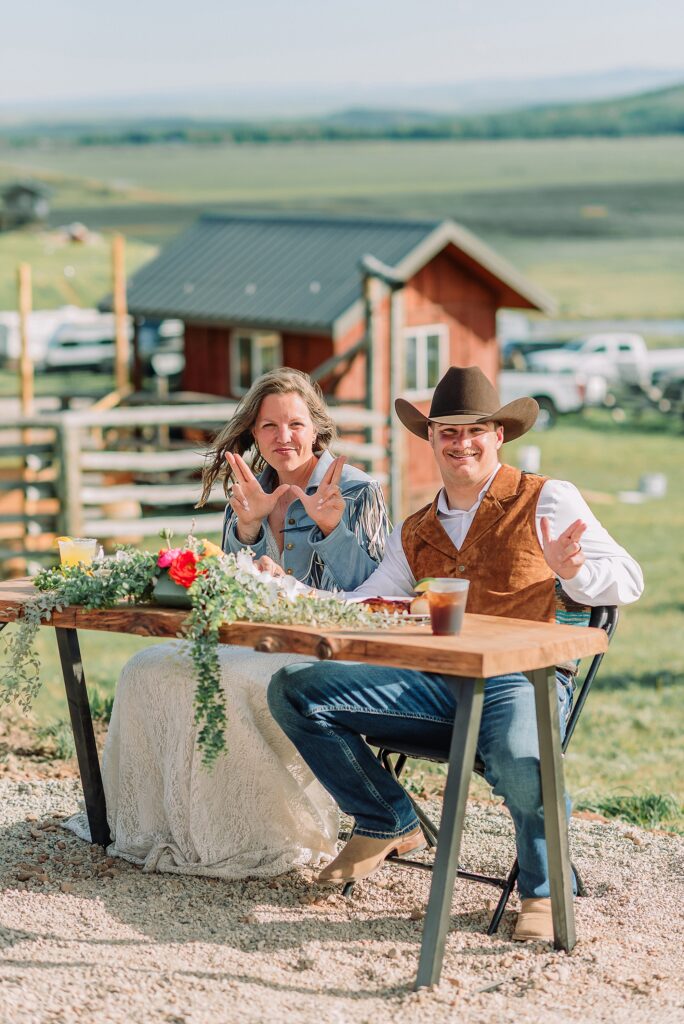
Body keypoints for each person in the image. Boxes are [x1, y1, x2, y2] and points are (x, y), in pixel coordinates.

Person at [267, 365, 644, 940]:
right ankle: (385, 817)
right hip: (434, 686)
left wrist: (577, 571)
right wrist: (284, 587)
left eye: (475, 431)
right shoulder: (415, 529)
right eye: (447, 431)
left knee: (521, 756)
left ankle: (544, 889)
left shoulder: (547, 499)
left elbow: (629, 580)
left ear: (498, 436)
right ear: (432, 440)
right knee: (294, 690)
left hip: (523, 680)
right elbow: (363, 602)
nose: (461, 443)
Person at [96, 368, 390, 879]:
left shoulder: (358, 491)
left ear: (317, 429)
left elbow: (375, 592)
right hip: (254, 640)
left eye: (295, 424)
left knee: (230, 683)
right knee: (145, 667)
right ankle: (165, 825)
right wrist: (250, 529)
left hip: (325, 647)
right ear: (253, 434)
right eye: (269, 427)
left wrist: (329, 529)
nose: (284, 438)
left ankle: (257, 834)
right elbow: (233, 587)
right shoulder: (250, 492)